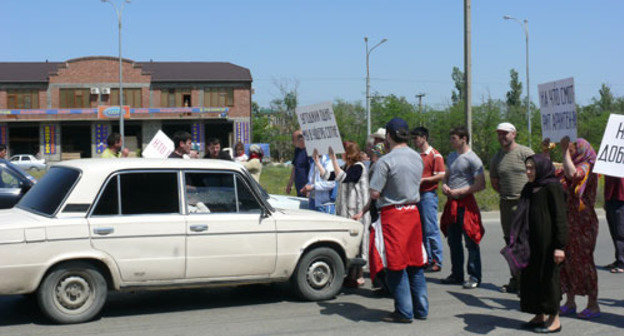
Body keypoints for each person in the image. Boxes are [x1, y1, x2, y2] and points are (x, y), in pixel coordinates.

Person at [353, 118, 428, 323]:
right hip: (413, 212)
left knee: (396, 265)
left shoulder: (386, 161)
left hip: (393, 215)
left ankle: (404, 311)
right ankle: (421, 309)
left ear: (388, 136)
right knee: (415, 263)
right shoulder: (417, 157)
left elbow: (375, 193)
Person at [507, 154, 567, 333]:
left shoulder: (553, 187)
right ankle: (539, 315)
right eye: (527, 168)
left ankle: (554, 319)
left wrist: (560, 246)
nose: (528, 171)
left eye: (532, 168)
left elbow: (560, 217)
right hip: (529, 241)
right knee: (531, 278)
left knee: (549, 279)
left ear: (541, 168)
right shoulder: (529, 187)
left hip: (548, 243)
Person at [314, 142, 370, 287]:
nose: (340, 155)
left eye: (343, 152)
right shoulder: (347, 167)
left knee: (359, 244)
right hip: (346, 211)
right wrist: (317, 162)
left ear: (349, 153)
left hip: (358, 211)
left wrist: (333, 159)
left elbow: (343, 177)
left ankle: (359, 275)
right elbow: (328, 176)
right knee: (350, 243)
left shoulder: (359, 167)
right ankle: (351, 275)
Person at [557, 138, 601, 319]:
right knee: (567, 262)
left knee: (584, 263)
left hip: (584, 222)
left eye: (574, 147)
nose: (571, 150)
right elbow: (552, 173)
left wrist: (564, 153)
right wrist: (546, 151)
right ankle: (570, 301)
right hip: (569, 220)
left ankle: (593, 304)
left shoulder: (587, 166)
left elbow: (574, 175)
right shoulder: (570, 163)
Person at [490, 122, 534, 293]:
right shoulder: (497, 157)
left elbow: (537, 174)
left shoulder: (525, 152)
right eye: (499, 134)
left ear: (514, 134)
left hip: (525, 203)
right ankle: (516, 279)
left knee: (526, 243)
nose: (502, 137)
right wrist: (508, 196)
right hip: (506, 205)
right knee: (510, 242)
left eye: (505, 133)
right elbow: (495, 182)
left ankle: (528, 281)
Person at [440, 126, 486, 289]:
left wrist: (462, 191)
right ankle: (457, 274)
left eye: (454, 138)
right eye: (451, 138)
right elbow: (446, 176)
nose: (451, 141)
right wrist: (445, 186)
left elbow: (481, 184)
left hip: (466, 203)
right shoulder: (452, 156)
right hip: (452, 203)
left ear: (463, 139)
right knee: (453, 241)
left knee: (471, 240)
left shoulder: (473, 159)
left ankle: (474, 276)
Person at [411, 126, 445, 273]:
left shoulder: (435, 155)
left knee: (431, 229)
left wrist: (425, 180)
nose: (414, 140)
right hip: (417, 195)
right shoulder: (416, 155)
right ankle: (427, 259)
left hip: (428, 195)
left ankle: (437, 260)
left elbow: (441, 174)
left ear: (424, 137)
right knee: (421, 230)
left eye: (416, 138)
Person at [302, 149, 336, 214]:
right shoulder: (313, 162)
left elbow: (331, 183)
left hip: (324, 205)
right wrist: (306, 188)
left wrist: (312, 187)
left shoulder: (328, 162)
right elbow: (312, 180)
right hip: (313, 202)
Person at [604, 175, 624, 274]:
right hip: (610, 194)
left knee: (620, 231)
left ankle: (622, 262)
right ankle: (619, 259)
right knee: (614, 230)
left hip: (622, 196)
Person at [286, 130, 310, 197]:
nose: (292, 142)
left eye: (293, 140)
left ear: (301, 140)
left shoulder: (309, 151)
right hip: (299, 186)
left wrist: (310, 187)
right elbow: (295, 167)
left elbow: (313, 170)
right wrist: (290, 183)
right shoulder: (297, 150)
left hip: (307, 187)